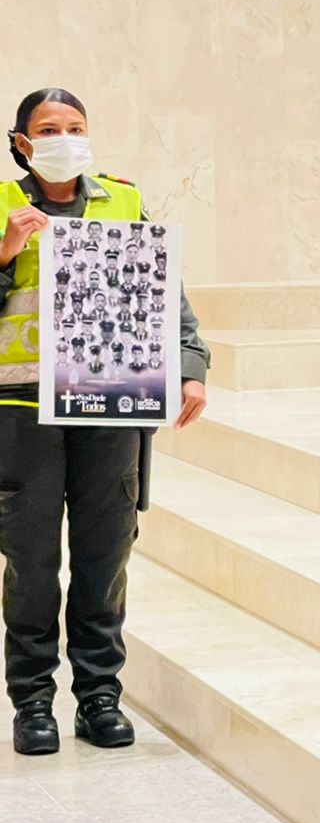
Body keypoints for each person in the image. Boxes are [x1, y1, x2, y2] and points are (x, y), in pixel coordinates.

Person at [1, 87, 210, 756]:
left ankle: (99, 697)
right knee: (32, 563)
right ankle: (33, 702)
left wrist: (190, 364)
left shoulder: (122, 199)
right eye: (49, 128)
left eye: (75, 126)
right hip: (20, 409)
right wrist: (5, 254)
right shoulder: (2, 207)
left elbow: (165, 293)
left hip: (111, 402)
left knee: (104, 554)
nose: (64, 137)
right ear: (22, 143)